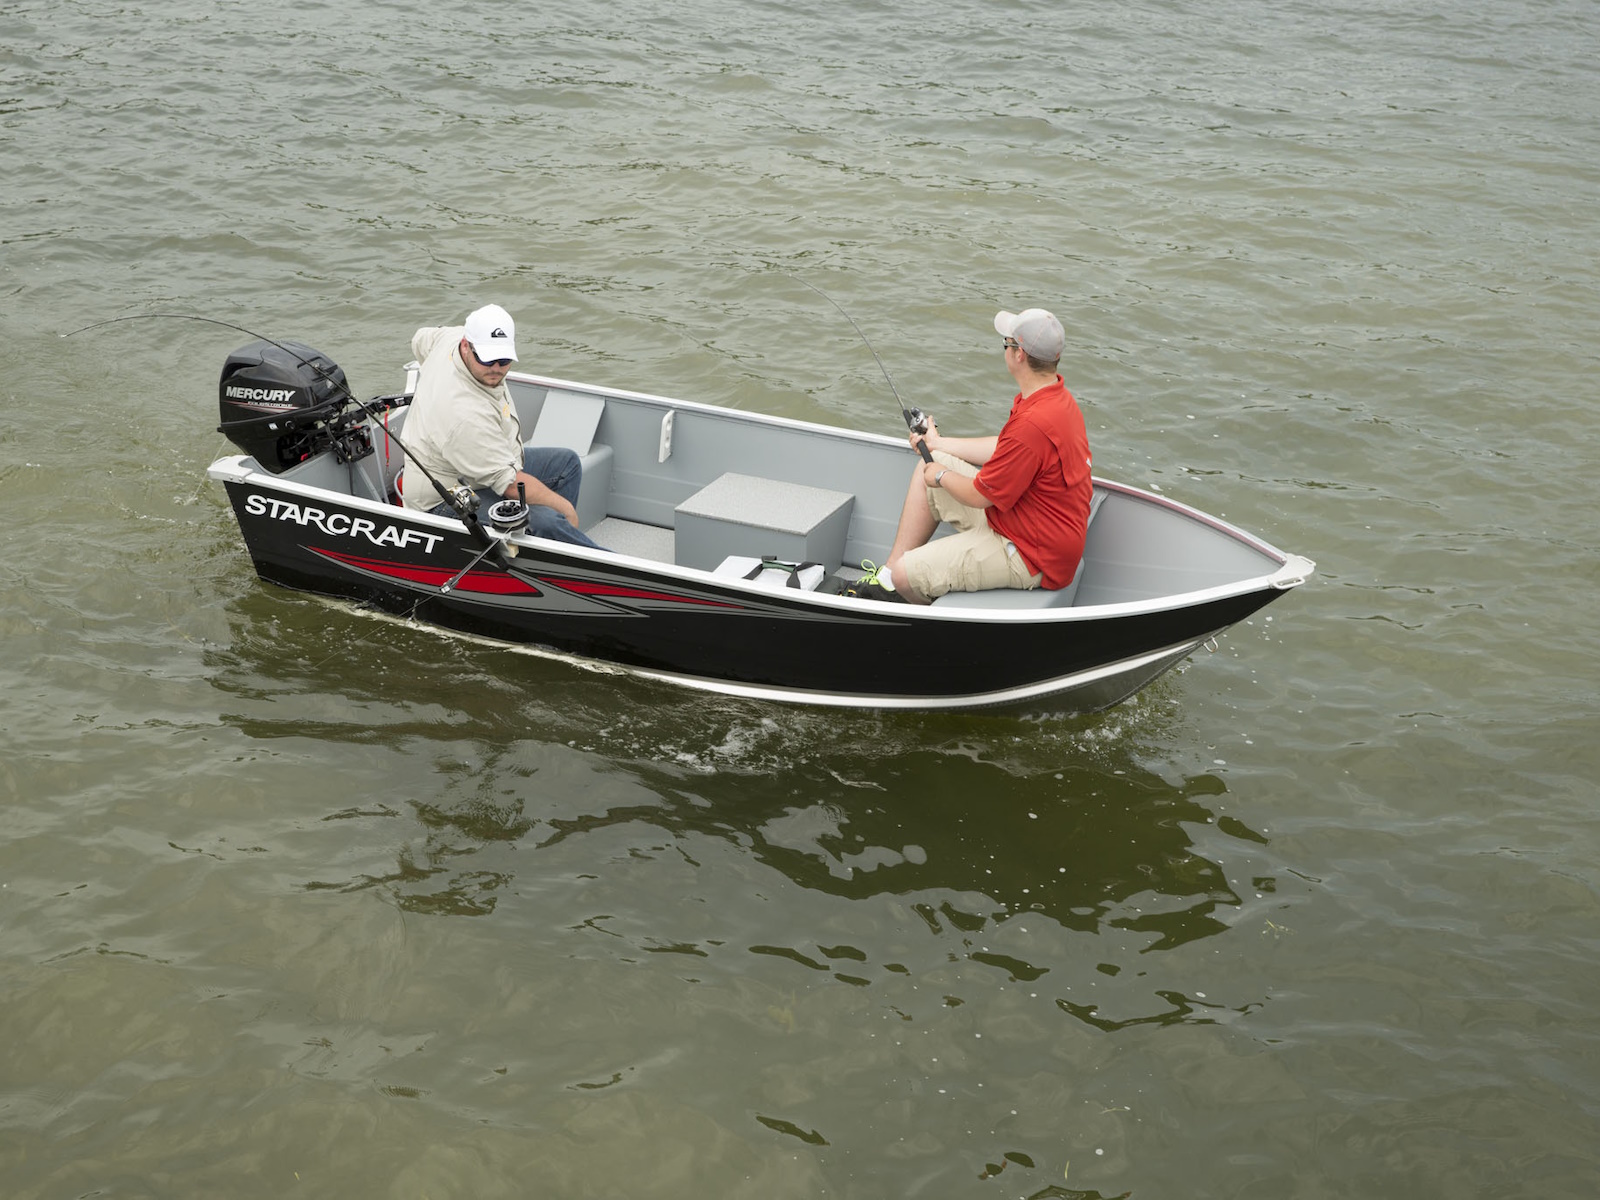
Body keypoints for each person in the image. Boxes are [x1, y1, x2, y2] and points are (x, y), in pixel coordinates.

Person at [847, 307, 1093, 604]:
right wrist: (937, 444)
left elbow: (980, 495)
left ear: (1019, 355)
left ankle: (906, 596)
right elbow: (1003, 447)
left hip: (1033, 554)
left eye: (1007, 343)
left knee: (905, 574)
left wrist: (939, 475)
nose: (1005, 349)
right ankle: (885, 579)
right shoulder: (1055, 398)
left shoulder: (1032, 425)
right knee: (927, 467)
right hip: (1027, 524)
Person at [399, 303, 605, 550]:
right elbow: (509, 485)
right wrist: (567, 510)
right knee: (546, 521)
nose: (496, 369)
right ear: (466, 346)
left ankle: (550, 548)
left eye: (504, 359)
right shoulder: (464, 415)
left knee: (567, 464)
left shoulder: (449, 338)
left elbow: (420, 339)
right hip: (442, 499)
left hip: (481, 467)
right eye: (487, 359)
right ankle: (587, 558)